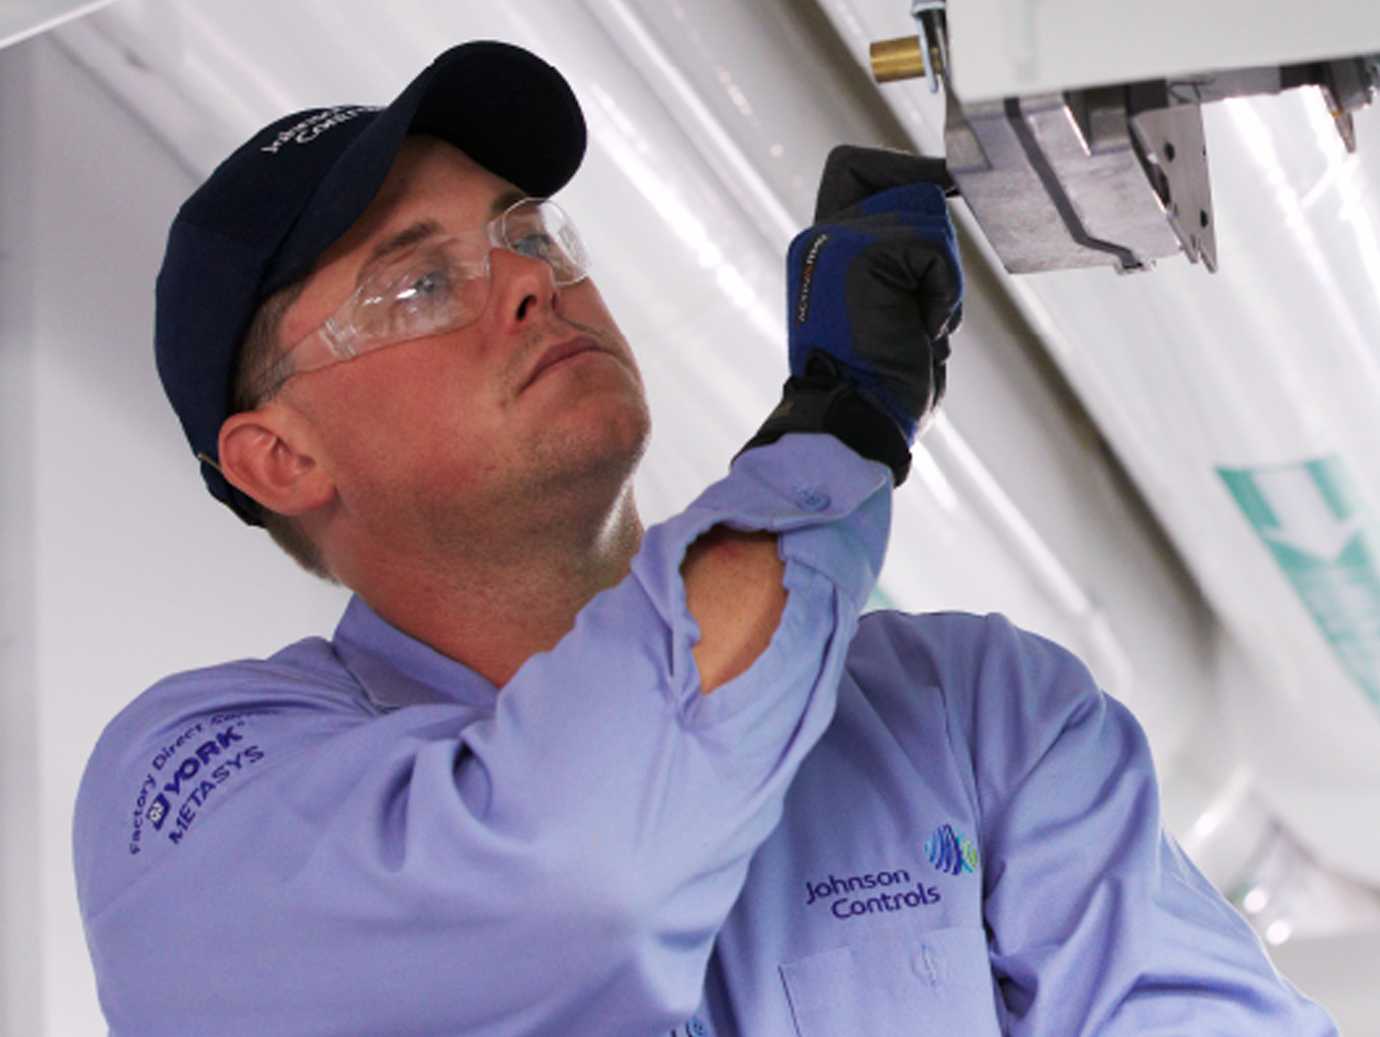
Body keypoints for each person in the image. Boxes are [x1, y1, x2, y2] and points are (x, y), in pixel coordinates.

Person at [73, 40, 1335, 1037]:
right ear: (280, 457)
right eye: (420, 282)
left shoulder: (968, 712)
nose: (530, 279)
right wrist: (838, 424)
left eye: (525, 231)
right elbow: (576, 880)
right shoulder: (198, 806)